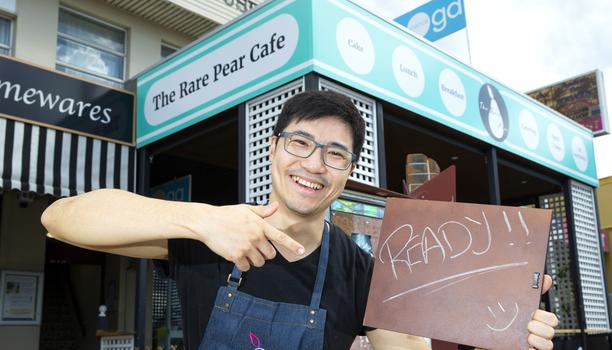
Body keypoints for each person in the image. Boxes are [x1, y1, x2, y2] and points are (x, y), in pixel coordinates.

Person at [42, 91, 558, 350]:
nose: (314, 164)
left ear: (348, 171)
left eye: (335, 154)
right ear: (274, 149)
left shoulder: (366, 275)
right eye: (301, 144)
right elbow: (61, 219)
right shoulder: (206, 238)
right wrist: (201, 220)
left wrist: (498, 332)